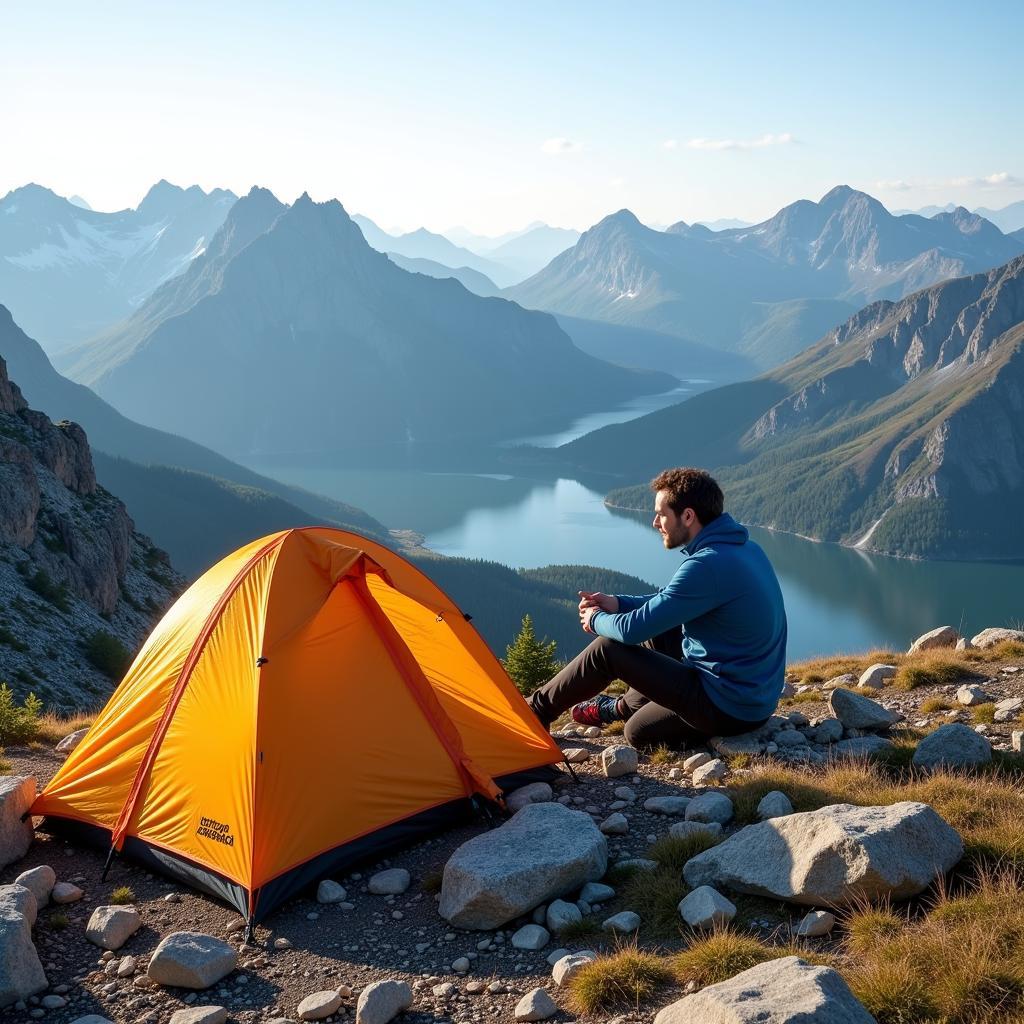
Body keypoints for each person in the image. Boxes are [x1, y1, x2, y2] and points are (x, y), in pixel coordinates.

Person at [527, 467, 787, 750]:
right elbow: (668, 601)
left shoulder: (706, 566)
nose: (655, 522)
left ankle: (533, 713)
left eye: (662, 514)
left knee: (631, 714)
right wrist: (618, 603)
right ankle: (620, 707)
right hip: (755, 695)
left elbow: (631, 630)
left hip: (729, 708)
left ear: (688, 516)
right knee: (661, 629)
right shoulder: (745, 549)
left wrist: (596, 618)